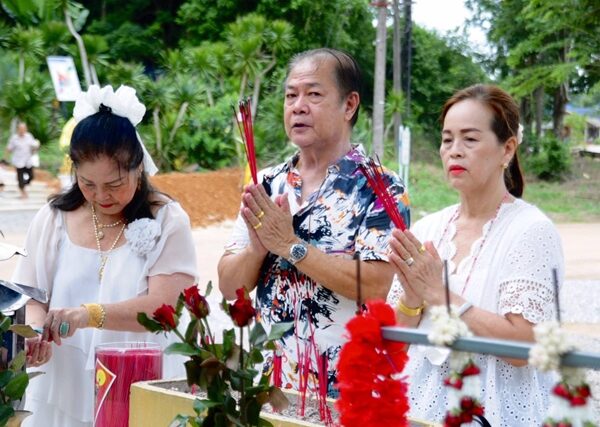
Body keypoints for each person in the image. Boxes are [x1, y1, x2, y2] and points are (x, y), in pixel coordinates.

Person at [218, 48, 410, 398]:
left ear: (349, 105)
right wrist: (257, 251)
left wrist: (290, 246)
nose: (298, 106)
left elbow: (377, 285)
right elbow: (230, 288)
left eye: (314, 94)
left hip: (343, 392)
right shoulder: (267, 183)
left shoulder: (380, 187)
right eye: (291, 95)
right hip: (266, 389)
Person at [12, 84, 198, 427]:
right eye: (87, 184)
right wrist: (37, 332)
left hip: (140, 380)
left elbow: (164, 309)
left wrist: (88, 315)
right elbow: (31, 297)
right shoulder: (53, 218)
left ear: (138, 167)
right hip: (63, 382)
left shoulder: (168, 220)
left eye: (114, 184)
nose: (101, 196)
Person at [387, 84, 564, 426]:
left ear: (507, 149)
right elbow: (397, 345)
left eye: (470, 139)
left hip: (497, 410)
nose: (454, 151)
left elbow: (526, 347)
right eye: (447, 139)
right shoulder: (428, 229)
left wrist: (440, 296)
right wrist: (412, 296)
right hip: (420, 407)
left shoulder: (530, 231)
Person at [6, 121, 40, 199]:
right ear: (18, 129)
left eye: (23, 129)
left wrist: (36, 147)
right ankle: (23, 192)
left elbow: (33, 147)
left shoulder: (29, 136)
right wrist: (6, 158)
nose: (22, 130)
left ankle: (23, 184)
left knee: (31, 177)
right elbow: (9, 149)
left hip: (28, 161)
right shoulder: (14, 138)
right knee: (20, 178)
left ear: (26, 129)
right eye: (20, 129)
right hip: (18, 161)